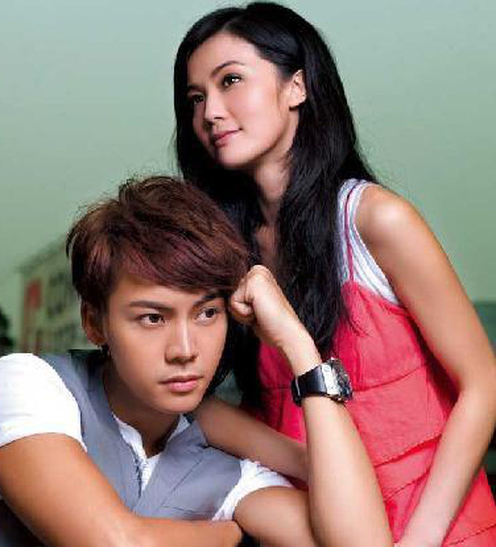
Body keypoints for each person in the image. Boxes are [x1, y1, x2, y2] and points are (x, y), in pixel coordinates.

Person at [172, 3, 496, 546]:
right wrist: (307, 468)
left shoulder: (374, 220)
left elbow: (483, 383)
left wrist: (420, 540)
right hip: (321, 528)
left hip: (440, 529)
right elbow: (198, 407)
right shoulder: (227, 251)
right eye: (196, 98)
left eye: (231, 81)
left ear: (296, 86)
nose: (210, 112)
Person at [0, 176, 392, 546]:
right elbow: (114, 543)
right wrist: (227, 535)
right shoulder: (24, 386)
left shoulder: (225, 468)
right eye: (153, 318)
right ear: (94, 323)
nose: (185, 348)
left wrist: (299, 347)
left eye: (207, 313)